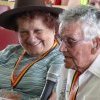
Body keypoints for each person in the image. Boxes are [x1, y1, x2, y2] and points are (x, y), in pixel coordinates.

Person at [0, 0, 64, 99]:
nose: (31, 39)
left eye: (37, 31)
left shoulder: (61, 59)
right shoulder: (9, 52)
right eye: (24, 32)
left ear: (53, 29)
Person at [58, 5, 100, 100]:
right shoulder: (66, 67)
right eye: (61, 40)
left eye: (70, 41)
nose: (61, 48)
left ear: (95, 44)